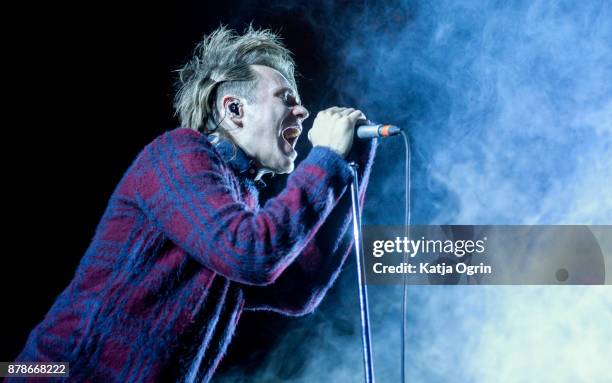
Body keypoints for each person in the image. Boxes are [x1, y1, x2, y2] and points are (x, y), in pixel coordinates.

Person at [13, 26, 376, 382]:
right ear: (234, 108)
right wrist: (326, 158)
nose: (302, 112)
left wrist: (347, 168)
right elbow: (251, 254)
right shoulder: (178, 152)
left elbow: (298, 288)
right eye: (286, 98)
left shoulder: (239, 199)